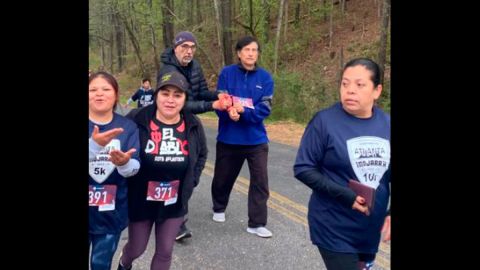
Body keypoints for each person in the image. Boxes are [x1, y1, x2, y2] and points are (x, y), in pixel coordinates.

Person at [293, 58, 391, 270]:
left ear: (377, 90)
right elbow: (303, 168)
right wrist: (347, 196)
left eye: (359, 84)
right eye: (345, 84)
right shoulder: (324, 122)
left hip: (369, 230)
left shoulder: (387, 125)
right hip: (333, 226)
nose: (350, 90)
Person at [117, 71, 207, 270]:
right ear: (156, 94)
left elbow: (202, 155)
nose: (170, 100)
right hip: (140, 199)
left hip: (174, 201)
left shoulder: (192, 123)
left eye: (177, 95)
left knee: (165, 251)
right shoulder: (137, 118)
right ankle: (124, 262)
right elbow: (120, 149)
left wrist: (192, 181)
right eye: (165, 93)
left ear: (184, 99)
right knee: (137, 248)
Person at [158, 30, 231, 241]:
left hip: (190, 121)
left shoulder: (196, 66)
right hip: (169, 123)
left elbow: (201, 93)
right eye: (184, 47)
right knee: (173, 169)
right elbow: (177, 103)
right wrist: (211, 105)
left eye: (192, 47)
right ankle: (174, 220)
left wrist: (218, 94)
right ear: (175, 48)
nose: (189, 51)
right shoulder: (168, 69)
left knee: (200, 157)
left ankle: (180, 204)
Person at [210, 36, 274, 238]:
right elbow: (221, 100)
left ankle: (256, 223)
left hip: (256, 140)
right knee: (223, 177)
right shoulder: (227, 73)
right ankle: (219, 207)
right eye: (247, 49)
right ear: (239, 53)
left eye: (254, 50)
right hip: (229, 138)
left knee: (260, 182)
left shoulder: (265, 78)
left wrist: (244, 113)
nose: (251, 53)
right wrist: (229, 111)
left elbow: (265, 109)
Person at [89, 71, 140, 270]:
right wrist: (93, 146)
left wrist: (124, 164)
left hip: (111, 213)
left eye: (106, 89)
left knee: (101, 264)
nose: (99, 94)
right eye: (93, 89)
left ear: (116, 94)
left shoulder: (127, 127)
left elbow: (134, 167)